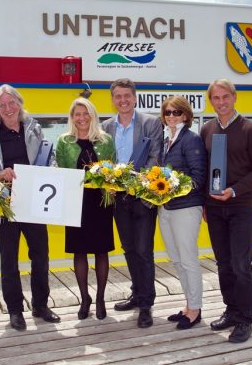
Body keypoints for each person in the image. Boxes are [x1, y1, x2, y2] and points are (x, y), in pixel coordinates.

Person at [0, 84, 60, 331]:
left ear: (20, 103)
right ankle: (15, 311)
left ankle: (40, 305)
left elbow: (49, 155)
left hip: (35, 202)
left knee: (40, 256)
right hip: (6, 205)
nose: (8, 108)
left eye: (11, 103)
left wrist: (53, 169)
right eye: (2, 105)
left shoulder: (34, 129)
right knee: (9, 260)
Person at [200, 79, 252, 343]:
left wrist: (236, 190)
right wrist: (206, 204)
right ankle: (231, 310)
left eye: (225, 97)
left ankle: (244, 320)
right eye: (215, 98)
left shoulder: (251, 130)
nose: (221, 102)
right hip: (215, 208)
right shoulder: (207, 129)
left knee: (241, 265)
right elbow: (205, 169)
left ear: (234, 97)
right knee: (224, 264)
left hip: (240, 206)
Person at [102, 78, 163, 328]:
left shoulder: (151, 123)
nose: (123, 100)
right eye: (118, 96)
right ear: (113, 99)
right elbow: (102, 160)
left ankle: (146, 304)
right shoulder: (106, 127)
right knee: (129, 249)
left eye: (127, 95)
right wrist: (108, 179)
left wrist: (135, 184)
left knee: (143, 250)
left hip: (142, 198)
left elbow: (155, 157)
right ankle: (137, 294)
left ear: (135, 97)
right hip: (118, 199)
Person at [55, 97, 116, 320]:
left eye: (85, 113)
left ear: (92, 115)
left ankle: (100, 298)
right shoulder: (64, 141)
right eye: (76, 114)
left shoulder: (106, 140)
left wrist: (111, 186)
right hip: (75, 202)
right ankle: (84, 298)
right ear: (72, 118)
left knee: (101, 251)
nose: (81, 118)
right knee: (79, 251)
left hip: (100, 203)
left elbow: (114, 169)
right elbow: (61, 171)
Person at [157, 96, 207, 330]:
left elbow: (198, 177)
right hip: (165, 207)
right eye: (167, 112)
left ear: (186, 115)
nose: (171, 116)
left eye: (176, 112)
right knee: (176, 259)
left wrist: (174, 188)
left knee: (188, 260)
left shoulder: (191, 139)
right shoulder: (166, 140)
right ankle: (188, 306)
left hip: (186, 208)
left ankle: (195, 309)